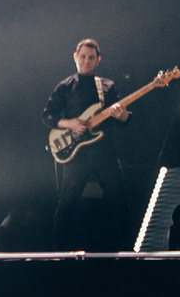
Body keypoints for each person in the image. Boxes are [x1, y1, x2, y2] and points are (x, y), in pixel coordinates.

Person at [44, 39, 129, 250]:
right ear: (75, 57)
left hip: (104, 154)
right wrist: (70, 123)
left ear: (98, 60)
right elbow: (48, 116)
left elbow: (122, 121)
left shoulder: (108, 87)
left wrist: (123, 116)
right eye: (83, 56)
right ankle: (58, 256)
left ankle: (129, 255)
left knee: (119, 204)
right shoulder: (65, 86)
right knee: (66, 206)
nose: (86, 61)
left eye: (91, 57)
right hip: (76, 155)